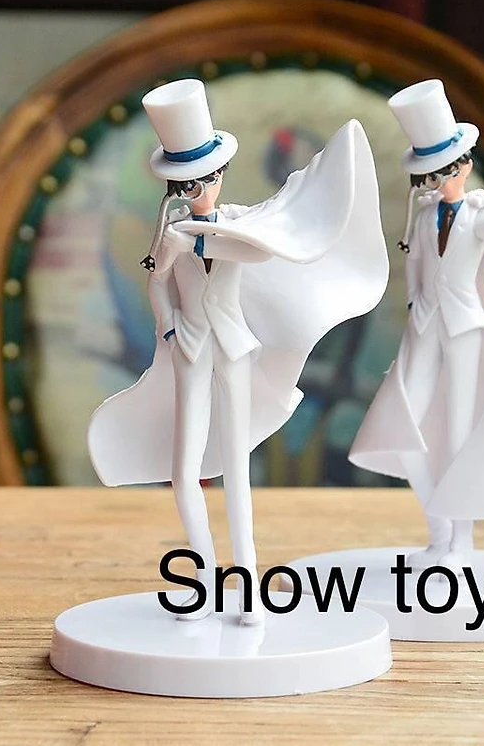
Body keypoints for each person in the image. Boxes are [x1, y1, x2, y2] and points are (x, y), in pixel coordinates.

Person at [89, 79, 388, 624]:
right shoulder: (171, 231)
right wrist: (169, 327)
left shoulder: (237, 225)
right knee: (184, 469)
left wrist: (194, 239)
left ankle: (246, 580)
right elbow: (157, 283)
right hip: (190, 351)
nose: (203, 190)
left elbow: (255, 250)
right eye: (190, 183)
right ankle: (203, 578)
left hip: (234, 350)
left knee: (236, 467)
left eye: (209, 179)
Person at [350, 79, 484, 572]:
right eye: (434, 173)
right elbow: (415, 271)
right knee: (401, 422)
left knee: (457, 433)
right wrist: (414, 313)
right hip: (424, 327)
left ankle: (459, 540)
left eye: (450, 169)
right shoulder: (423, 217)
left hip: (465, 327)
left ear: (465, 166)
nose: (443, 180)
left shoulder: (478, 215)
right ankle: (438, 529)